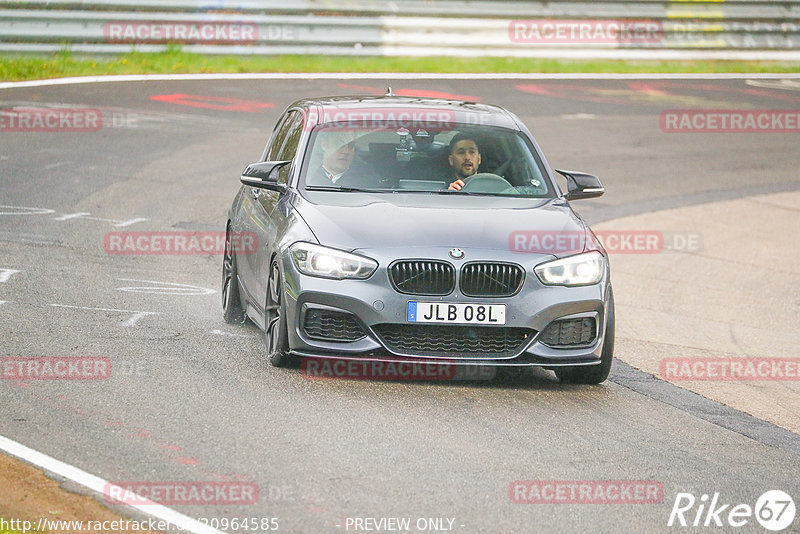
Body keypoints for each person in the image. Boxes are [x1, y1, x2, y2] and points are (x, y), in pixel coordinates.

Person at [307, 131, 379, 188]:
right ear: (324, 145)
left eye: (350, 145)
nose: (346, 151)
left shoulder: (367, 180)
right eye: (339, 144)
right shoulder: (306, 176)